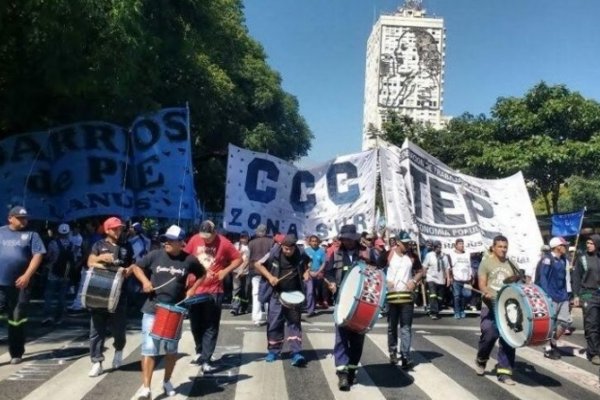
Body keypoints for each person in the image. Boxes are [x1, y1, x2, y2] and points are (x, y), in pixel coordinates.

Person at [130, 225, 206, 400]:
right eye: (166, 239)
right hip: (152, 308)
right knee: (149, 348)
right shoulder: (155, 255)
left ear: (181, 242)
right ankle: (146, 388)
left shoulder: (189, 260)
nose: (167, 243)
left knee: (171, 350)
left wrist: (193, 289)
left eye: (172, 240)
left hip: (175, 310)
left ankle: (167, 381)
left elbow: (202, 274)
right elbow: (136, 267)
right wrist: (145, 282)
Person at [184, 220, 242, 371]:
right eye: (203, 236)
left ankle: (207, 358)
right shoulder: (195, 239)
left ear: (215, 232)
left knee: (210, 325)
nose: (206, 240)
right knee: (196, 324)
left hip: (214, 290)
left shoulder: (224, 243)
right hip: (195, 289)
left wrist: (225, 271)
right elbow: (186, 257)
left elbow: (238, 259)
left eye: (209, 237)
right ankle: (199, 351)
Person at [325, 224, 372, 391]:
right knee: (341, 338)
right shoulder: (336, 253)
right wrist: (330, 282)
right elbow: (328, 272)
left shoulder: (366, 252)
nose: (347, 241)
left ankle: (352, 370)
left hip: (362, 303)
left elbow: (378, 270)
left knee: (357, 339)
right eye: (344, 238)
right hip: (342, 302)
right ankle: (342, 374)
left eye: (350, 239)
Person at [86, 216, 134, 377]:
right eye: (115, 228)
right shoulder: (98, 245)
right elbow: (90, 262)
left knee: (119, 329)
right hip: (99, 292)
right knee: (96, 330)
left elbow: (133, 264)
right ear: (107, 230)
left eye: (120, 228)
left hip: (120, 293)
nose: (118, 231)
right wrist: (101, 258)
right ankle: (97, 362)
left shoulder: (127, 246)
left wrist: (128, 271)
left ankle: (119, 350)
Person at [254, 234, 310, 366]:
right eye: (285, 249)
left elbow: (308, 263)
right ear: (281, 246)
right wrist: (270, 277)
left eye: (290, 249)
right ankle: (273, 351)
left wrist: (306, 272)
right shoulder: (274, 252)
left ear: (295, 247)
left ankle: (296, 352)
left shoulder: (301, 253)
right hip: (276, 294)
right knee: (274, 322)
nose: (288, 251)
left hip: (294, 294)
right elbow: (258, 264)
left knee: (294, 323)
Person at [0, 206, 46, 364]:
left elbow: (38, 255)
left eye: (25, 218)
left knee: (16, 318)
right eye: (20, 218)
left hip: (21, 285)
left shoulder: (32, 235)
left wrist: (27, 275)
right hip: (1, 284)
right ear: (10, 218)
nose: (23, 221)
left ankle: (16, 352)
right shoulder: (1, 232)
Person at [475, 235, 518, 385]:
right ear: (493, 247)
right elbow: (482, 283)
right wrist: (486, 291)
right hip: (490, 305)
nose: (503, 250)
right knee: (490, 334)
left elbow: (517, 283)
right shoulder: (485, 263)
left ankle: (504, 372)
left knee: (508, 339)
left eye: (505, 247)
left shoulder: (512, 264)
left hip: (507, 308)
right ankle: (481, 359)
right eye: (500, 246)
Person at [385, 232, 424, 369]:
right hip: (392, 296)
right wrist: (386, 281)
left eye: (409, 243)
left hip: (407, 297)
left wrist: (414, 281)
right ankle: (393, 352)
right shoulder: (388, 254)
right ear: (397, 242)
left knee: (406, 327)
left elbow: (421, 271)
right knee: (392, 327)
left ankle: (406, 356)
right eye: (405, 243)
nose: (407, 245)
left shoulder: (412, 256)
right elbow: (375, 268)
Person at [536, 236, 571, 360]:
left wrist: (568, 294)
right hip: (551, 296)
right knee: (549, 324)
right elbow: (543, 279)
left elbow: (565, 279)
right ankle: (547, 348)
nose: (566, 247)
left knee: (565, 322)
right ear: (557, 247)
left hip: (562, 296)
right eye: (564, 245)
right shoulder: (547, 259)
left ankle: (553, 341)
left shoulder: (563, 260)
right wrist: (546, 296)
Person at [572, 235, 600, 365]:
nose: (588, 245)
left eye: (591, 243)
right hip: (588, 294)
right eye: (587, 243)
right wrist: (576, 295)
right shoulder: (582, 258)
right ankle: (593, 353)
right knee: (591, 324)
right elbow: (576, 277)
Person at [42, 223, 75, 325]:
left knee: (49, 295)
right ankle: (60, 317)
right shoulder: (71, 244)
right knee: (62, 296)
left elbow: (48, 256)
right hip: (66, 274)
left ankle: (48, 316)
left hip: (53, 273)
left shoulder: (53, 243)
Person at [247, 224, 274, 325]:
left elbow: (248, 258)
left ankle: (256, 318)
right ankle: (270, 316)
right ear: (266, 231)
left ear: (257, 231)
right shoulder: (271, 242)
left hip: (254, 271)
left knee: (256, 294)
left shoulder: (251, 243)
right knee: (269, 294)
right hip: (268, 271)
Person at [422, 240, 449, 320]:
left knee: (440, 298)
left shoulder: (444, 256)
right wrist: (424, 277)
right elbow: (424, 266)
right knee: (433, 295)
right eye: (437, 247)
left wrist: (448, 279)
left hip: (441, 279)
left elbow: (447, 268)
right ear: (434, 248)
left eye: (440, 247)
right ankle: (434, 313)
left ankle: (434, 309)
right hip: (431, 278)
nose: (438, 248)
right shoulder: (429, 255)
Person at [448, 238, 472, 319]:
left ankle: (462, 309)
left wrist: (471, 276)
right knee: (457, 296)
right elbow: (449, 267)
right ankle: (457, 312)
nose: (462, 245)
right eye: (460, 244)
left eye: (462, 243)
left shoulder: (467, 254)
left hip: (466, 280)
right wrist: (450, 278)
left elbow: (469, 266)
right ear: (456, 245)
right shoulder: (452, 255)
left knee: (466, 296)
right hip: (456, 280)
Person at [304, 235, 327, 317]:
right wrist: (308, 271)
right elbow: (304, 263)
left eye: (315, 241)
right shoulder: (306, 251)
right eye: (312, 241)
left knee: (315, 292)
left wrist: (318, 272)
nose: (314, 243)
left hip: (318, 274)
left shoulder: (322, 251)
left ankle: (313, 308)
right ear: (309, 242)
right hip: (309, 274)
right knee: (309, 292)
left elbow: (323, 263)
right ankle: (310, 310)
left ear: (318, 242)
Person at [231, 231, 250, 315]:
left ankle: (244, 307)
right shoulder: (236, 245)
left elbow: (247, 260)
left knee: (245, 290)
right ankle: (235, 307)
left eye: (245, 237)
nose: (243, 239)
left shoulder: (248, 247)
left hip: (245, 272)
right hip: (236, 271)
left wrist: (242, 269)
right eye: (242, 237)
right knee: (236, 290)